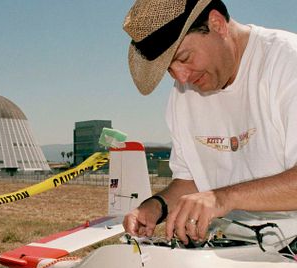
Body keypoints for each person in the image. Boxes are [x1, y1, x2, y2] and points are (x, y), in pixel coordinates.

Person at [122, 0, 297, 245]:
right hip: (240, 251)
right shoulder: (183, 95)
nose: (182, 77)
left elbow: (215, 197)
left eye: (184, 57)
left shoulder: (288, 61)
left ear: (217, 24)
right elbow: (191, 180)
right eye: (170, 71)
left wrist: (222, 198)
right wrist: (154, 207)